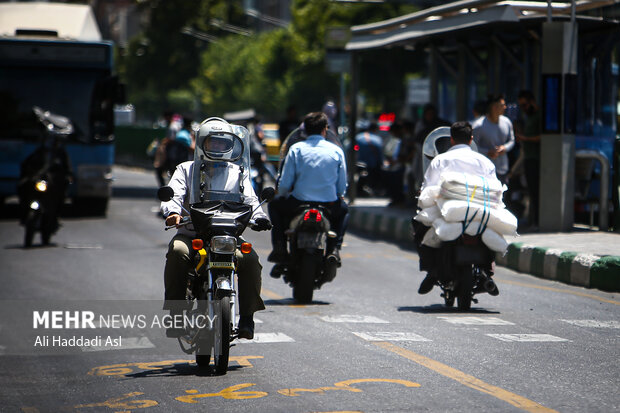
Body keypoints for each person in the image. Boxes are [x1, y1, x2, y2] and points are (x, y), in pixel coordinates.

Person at [160, 118, 272, 339]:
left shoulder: (238, 172)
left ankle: (247, 318)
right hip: (192, 234)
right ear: (203, 143)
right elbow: (174, 194)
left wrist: (260, 217)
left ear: (231, 144)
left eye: (223, 143)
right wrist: (172, 213)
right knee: (177, 253)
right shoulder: (186, 169)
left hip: (227, 236)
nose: (218, 147)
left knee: (250, 260)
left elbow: (250, 199)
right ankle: (176, 314)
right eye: (214, 142)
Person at [414, 121, 498, 294]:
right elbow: (495, 190)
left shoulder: (440, 160)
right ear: (471, 139)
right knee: (493, 228)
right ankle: (487, 271)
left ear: (451, 140)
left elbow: (429, 187)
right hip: (479, 213)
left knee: (418, 226)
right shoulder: (485, 162)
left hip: (448, 212)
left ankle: (432, 271)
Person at [267, 112, 348, 269]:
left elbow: (285, 183)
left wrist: (282, 194)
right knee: (344, 210)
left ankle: (280, 248)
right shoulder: (336, 150)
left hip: (298, 203)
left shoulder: (296, 149)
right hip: (329, 204)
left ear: (304, 130)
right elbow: (342, 184)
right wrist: (340, 196)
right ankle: (334, 249)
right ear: (325, 129)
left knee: (274, 205)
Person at [472, 94, 515, 184]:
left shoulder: (507, 122)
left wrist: (505, 148)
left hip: (503, 168)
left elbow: (512, 140)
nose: (505, 107)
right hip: (484, 170)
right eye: (502, 105)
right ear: (494, 107)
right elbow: (472, 147)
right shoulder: (478, 126)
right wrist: (487, 152)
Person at [515, 90, 542, 229]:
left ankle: (537, 221)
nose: (523, 109)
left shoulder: (539, 116)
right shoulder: (529, 117)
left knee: (537, 191)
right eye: (521, 106)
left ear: (532, 101)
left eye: (525, 105)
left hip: (537, 159)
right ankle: (532, 220)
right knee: (531, 191)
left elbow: (544, 137)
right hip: (528, 157)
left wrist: (525, 138)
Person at [354, 122, 384, 193]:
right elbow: (380, 154)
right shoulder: (377, 139)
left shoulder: (358, 137)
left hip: (358, 163)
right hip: (372, 165)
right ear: (376, 129)